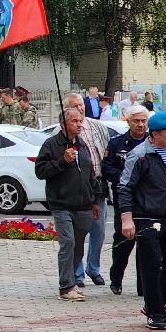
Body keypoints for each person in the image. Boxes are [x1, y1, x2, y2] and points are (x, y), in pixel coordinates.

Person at [118, 109, 166, 329]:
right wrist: (127, 219)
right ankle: (154, 312)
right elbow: (124, 187)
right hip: (146, 218)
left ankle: (158, 306)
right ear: (156, 134)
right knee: (151, 264)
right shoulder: (140, 155)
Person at [35, 106, 102, 302]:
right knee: (68, 243)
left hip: (84, 204)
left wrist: (96, 199)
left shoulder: (82, 144)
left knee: (78, 246)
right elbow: (40, 171)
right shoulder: (51, 145)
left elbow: (90, 173)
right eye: (75, 121)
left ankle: (72, 281)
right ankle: (65, 286)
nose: (80, 124)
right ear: (63, 124)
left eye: (81, 121)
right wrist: (62, 162)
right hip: (61, 203)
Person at [62, 91, 113, 291]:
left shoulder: (97, 126)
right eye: (75, 106)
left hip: (97, 184)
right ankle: (77, 272)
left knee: (99, 230)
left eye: (81, 104)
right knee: (78, 232)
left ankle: (94, 267)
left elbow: (105, 152)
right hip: (76, 187)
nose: (80, 108)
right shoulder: (65, 133)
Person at [104, 107, 149, 295]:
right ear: (128, 122)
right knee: (123, 243)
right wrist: (126, 177)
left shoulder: (152, 143)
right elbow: (106, 168)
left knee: (146, 245)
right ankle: (116, 277)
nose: (140, 125)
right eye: (136, 121)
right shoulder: (116, 143)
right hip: (125, 201)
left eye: (143, 121)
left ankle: (143, 286)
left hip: (147, 202)